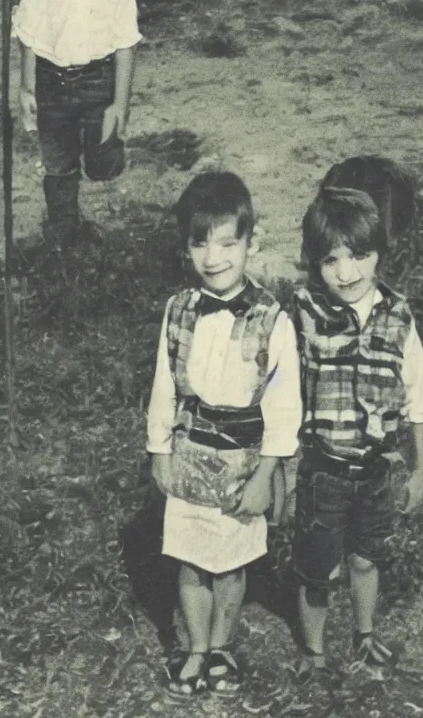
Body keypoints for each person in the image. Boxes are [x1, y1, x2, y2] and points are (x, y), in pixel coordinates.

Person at [147, 172, 301, 700]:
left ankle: (220, 647)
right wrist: (159, 450)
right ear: (186, 245)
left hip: (242, 461)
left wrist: (267, 474)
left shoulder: (273, 320)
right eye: (200, 242)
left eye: (227, 243)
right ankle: (194, 647)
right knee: (191, 560)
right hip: (190, 451)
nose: (213, 258)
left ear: (250, 244)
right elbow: (164, 385)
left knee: (231, 566)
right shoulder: (178, 310)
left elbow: (284, 408)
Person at [290, 183, 423, 681]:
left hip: (376, 471)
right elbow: (282, 393)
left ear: (380, 254)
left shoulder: (398, 316)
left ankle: (365, 636)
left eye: (359, 256)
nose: (346, 273)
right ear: (315, 261)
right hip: (322, 472)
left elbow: (419, 396)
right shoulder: (302, 314)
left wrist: (419, 473)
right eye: (331, 260)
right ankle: (313, 653)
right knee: (319, 572)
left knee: (367, 560)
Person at [13, 0, 140, 249]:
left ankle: (106, 149)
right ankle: (64, 232)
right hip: (52, 82)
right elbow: (29, 33)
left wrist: (121, 105)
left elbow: (125, 42)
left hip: (98, 81)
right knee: (58, 164)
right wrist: (27, 88)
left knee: (103, 164)